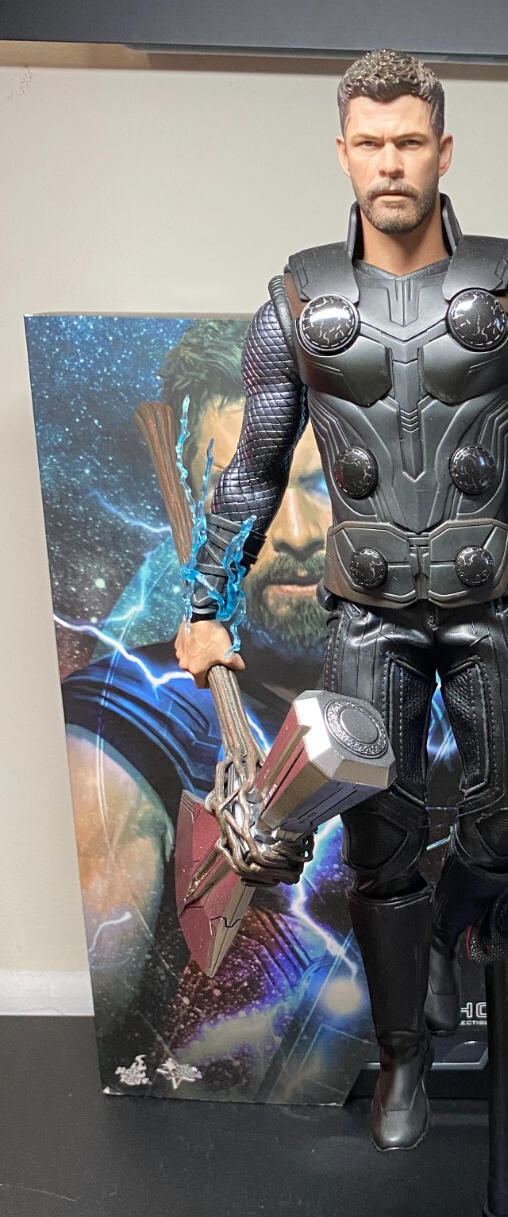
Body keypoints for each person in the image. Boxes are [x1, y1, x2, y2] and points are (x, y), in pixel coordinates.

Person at [175, 51, 508, 1151]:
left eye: (410, 141)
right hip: (369, 613)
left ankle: (449, 931)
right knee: (379, 844)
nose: (391, 161)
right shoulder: (295, 304)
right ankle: (401, 1059)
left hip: (493, 604)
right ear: (343, 153)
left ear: (443, 150)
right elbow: (253, 470)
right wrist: (207, 601)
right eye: (371, 142)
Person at [61, 320, 361, 1097]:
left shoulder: (434, 687)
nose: (295, 535)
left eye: (321, 485)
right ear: (195, 510)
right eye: (249, 497)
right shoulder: (134, 711)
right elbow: (108, 969)